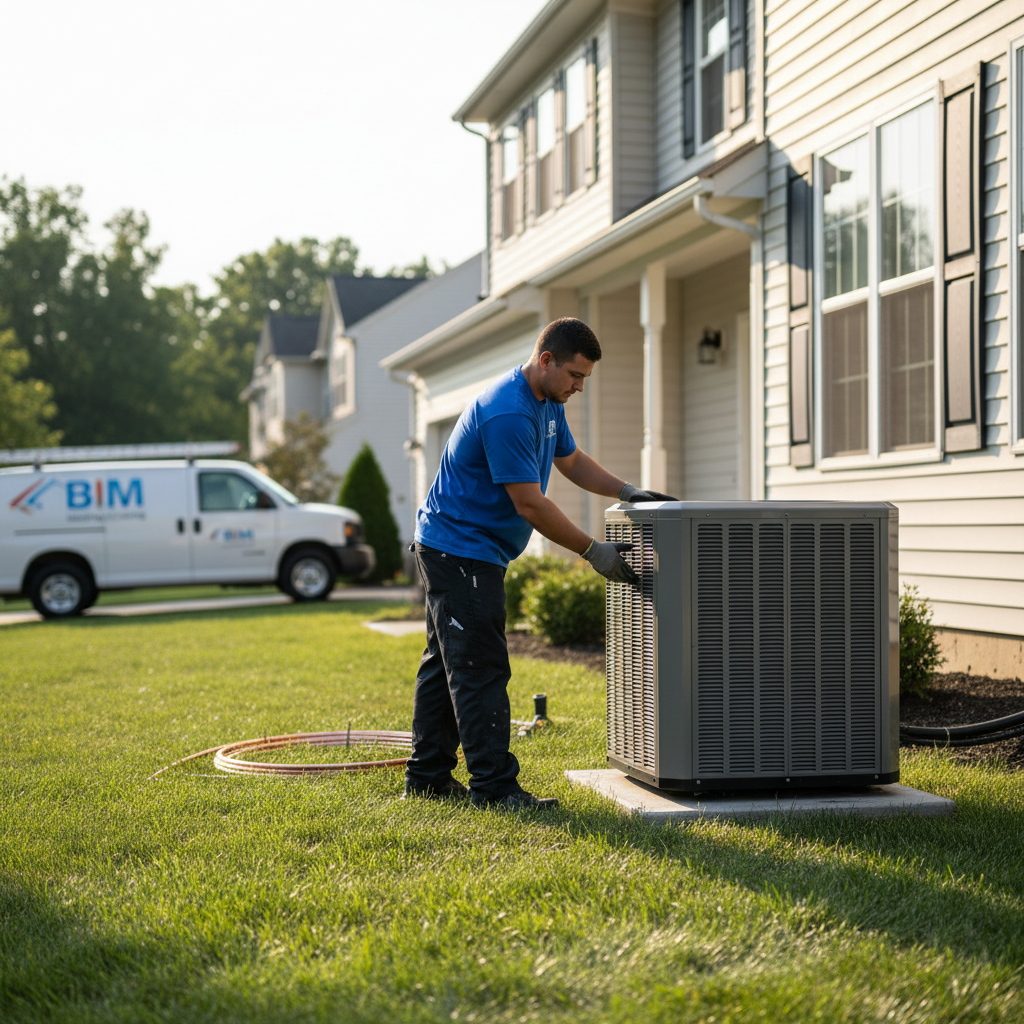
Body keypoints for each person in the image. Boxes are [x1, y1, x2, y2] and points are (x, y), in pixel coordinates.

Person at [404, 317, 675, 809]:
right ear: (546, 360)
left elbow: (569, 460)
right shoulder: (508, 411)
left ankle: (428, 778)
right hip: (460, 550)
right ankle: (494, 788)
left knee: (446, 664)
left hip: (462, 546)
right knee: (479, 668)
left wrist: (625, 490)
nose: (579, 387)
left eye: (585, 378)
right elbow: (529, 503)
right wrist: (594, 551)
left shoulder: (545, 403)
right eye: (575, 375)